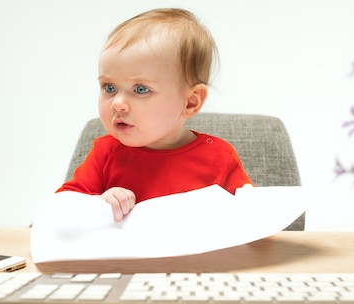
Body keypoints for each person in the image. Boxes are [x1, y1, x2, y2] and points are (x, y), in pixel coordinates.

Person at [57, 8, 253, 221]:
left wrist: (251, 207)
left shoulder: (219, 157)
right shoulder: (105, 153)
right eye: (109, 87)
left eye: (141, 89)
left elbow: (252, 219)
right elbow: (60, 210)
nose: (118, 103)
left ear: (190, 102)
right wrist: (99, 204)